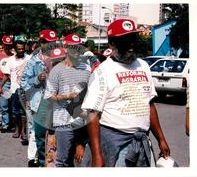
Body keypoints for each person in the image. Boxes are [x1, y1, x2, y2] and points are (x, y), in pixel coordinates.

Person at [81, 19, 170, 167]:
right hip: (116, 143)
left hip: (142, 142)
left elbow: (150, 105)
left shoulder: (143, 66)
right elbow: (92, 114)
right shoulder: (102, 72)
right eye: (124, 40)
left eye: (133, 39)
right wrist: (97, 155)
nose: (131, 45)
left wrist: (161, 139)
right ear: (112, 44)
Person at [44, 33, 91, 167]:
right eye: (73, 47)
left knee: (83, 162)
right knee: (63, 160)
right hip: (63, 122)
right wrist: (66, 96)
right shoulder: (57, 70)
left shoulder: (86, 69)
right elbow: (48, 96)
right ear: (65, 48)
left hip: (83, 121)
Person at [21, 29, 58, 167]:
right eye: (48, 43)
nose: (51, 46)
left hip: (57, 102)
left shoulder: (60, 59)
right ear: (41, 43)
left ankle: (54, 164)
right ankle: (42, 163)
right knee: (40, 137)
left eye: (53, 43)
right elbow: (24, 83)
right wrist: (37, 78)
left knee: (57, 137)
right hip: (39, 103)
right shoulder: (33, 61)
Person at [0, 38, 31, 140]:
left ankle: (23, 131)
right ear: (15, 49)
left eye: (22, 49)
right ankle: (17, 129)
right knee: (15, 111)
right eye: (19, 49)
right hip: (13, 89)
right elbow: (6, 75)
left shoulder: (29, 58)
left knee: (24, 112)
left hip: (25, 89)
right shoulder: (10, 60)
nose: (21, 51)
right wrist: (0, 87)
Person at [0, 35, 13, 133]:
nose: (8, 46)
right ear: (3, 44)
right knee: (4, 105)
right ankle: (5, 124)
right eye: (6, 45)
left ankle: (12, 123)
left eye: (9, 45)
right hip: (2, 82)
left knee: (12, 104)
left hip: (13, 82)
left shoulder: (14, 55)